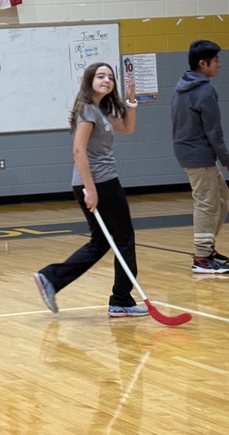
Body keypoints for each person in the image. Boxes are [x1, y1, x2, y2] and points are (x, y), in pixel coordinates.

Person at [32, 62, 147, 318]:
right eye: (100, 76)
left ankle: (51, 278)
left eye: (110, 77)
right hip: (101, 182)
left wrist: (131, 101)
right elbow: (78, 150)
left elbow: (128, 128)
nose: (106, 80)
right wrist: (91, 189)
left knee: (101, 241)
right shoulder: (87, 109)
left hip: (97, 182)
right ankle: (121, 300)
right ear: (89, 80)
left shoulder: (100, 110)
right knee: (124, 239)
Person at [171, 40, 229, 275]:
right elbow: (214, 132)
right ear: (203, 63)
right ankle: (201, 257)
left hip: (194, 152)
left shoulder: (183, 86)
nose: (219, 65)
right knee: (206, 203)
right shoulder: (204, 91)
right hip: (198, 154)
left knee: (221, 199)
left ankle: (207, 249)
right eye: (216, 60)